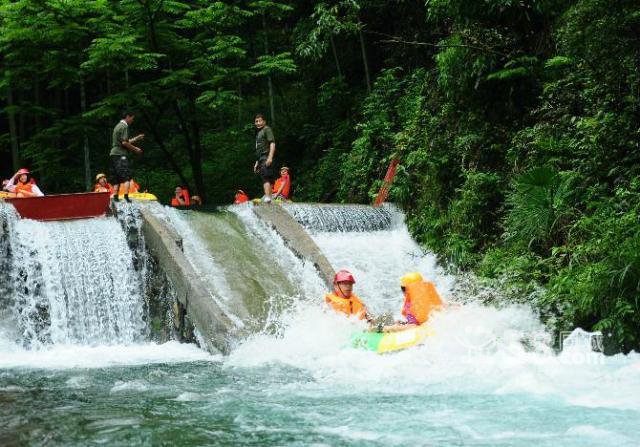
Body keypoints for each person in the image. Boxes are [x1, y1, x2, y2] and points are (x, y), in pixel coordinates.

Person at [110, 111, 144, 203]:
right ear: (128, 117)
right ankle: (126, 197)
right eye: (132, 118)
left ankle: (116, 197)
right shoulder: (124, 126)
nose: (132, 120)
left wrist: (137, 138)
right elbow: (124, 143)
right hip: (121, 154)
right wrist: (135, 149)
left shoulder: (118, 126)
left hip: (114, 154)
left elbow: (125, 141)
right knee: (126, 175)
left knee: (116, 176)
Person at [252, 113, 276, 203]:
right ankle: (269, 197)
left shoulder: (267, 129)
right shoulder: (258, 133)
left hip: (266, 155)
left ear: (264, 121)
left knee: (266, 176)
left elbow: (272, 143)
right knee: (266, 176)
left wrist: (270, 157)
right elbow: (258, 150)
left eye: (260, 121)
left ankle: (268, 197)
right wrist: (256, 163)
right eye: (256, 121)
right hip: (261, 158)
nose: (258, 123)